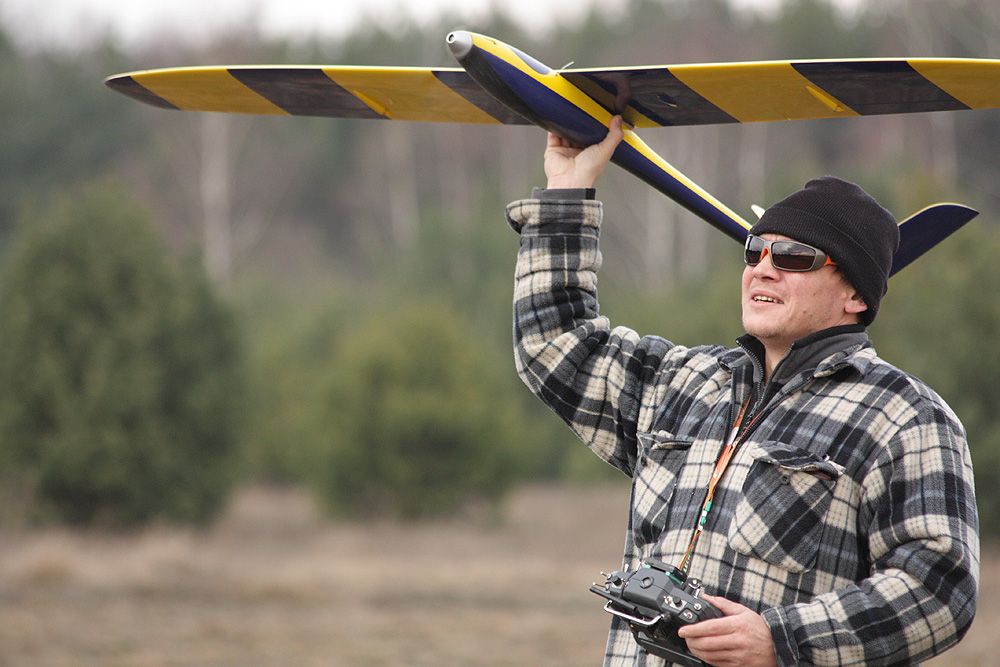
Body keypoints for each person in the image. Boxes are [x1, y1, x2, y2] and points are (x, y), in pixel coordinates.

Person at [506, 116, 979, 666]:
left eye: (794, 257)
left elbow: (940, 588)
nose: (763, 269)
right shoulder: (685, 383)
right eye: (754, 252)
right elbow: (555, 343)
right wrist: (568, 192)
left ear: (855, 293)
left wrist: (782, 640)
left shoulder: (906, 417)